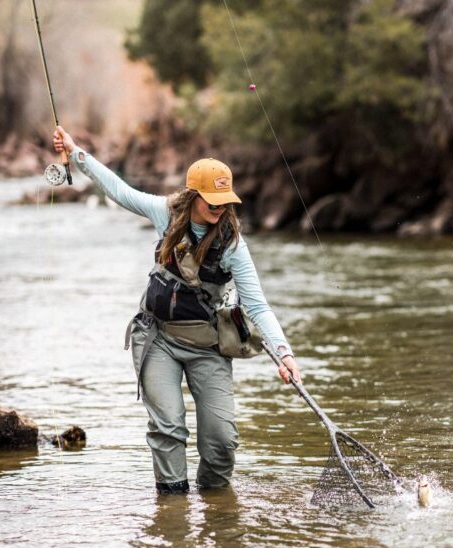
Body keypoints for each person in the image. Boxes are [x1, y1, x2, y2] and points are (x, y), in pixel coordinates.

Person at [53, 126, 301, 494]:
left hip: (208, 348)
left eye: (224, 200)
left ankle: (216, 508)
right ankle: (173, 511)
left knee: (221, 442)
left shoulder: (233, 245)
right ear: (193, 195)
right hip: (158, 339)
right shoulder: (165, 213)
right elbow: (119, 191)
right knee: (168, 427)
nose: (219, 207)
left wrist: (285, 353)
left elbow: (257, 304)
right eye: (212, 200)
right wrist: (76, 154)